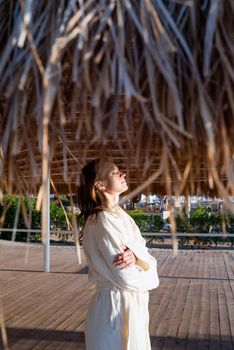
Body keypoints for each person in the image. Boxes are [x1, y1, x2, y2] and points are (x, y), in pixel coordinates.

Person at [78, 159, 159, 350]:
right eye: (115, 173)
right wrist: (148, 270)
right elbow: (126, 277)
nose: (123, 174)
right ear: (100, 184)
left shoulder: (121, 216)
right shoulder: (102, 221)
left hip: (131, 307)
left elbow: (146, 255)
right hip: (113, 311)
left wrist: (137, 256)